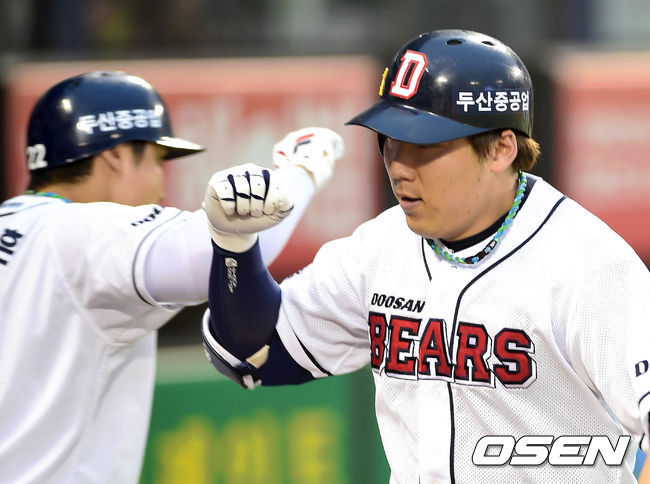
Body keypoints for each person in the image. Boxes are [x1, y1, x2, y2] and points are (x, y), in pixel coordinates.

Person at [200, 30, 650, 483]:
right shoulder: (379, 247)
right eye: (390, 140)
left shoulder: (589, 265)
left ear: (501, 149)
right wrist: (235, 247)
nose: (398, 166)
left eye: (424, 145)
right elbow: (254, 353)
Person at [0, 70, 343, 483]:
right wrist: (303, 170)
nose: (162, 185)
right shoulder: (80, 234)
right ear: (117, 156)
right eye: (157, 160)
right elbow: (234, 240)